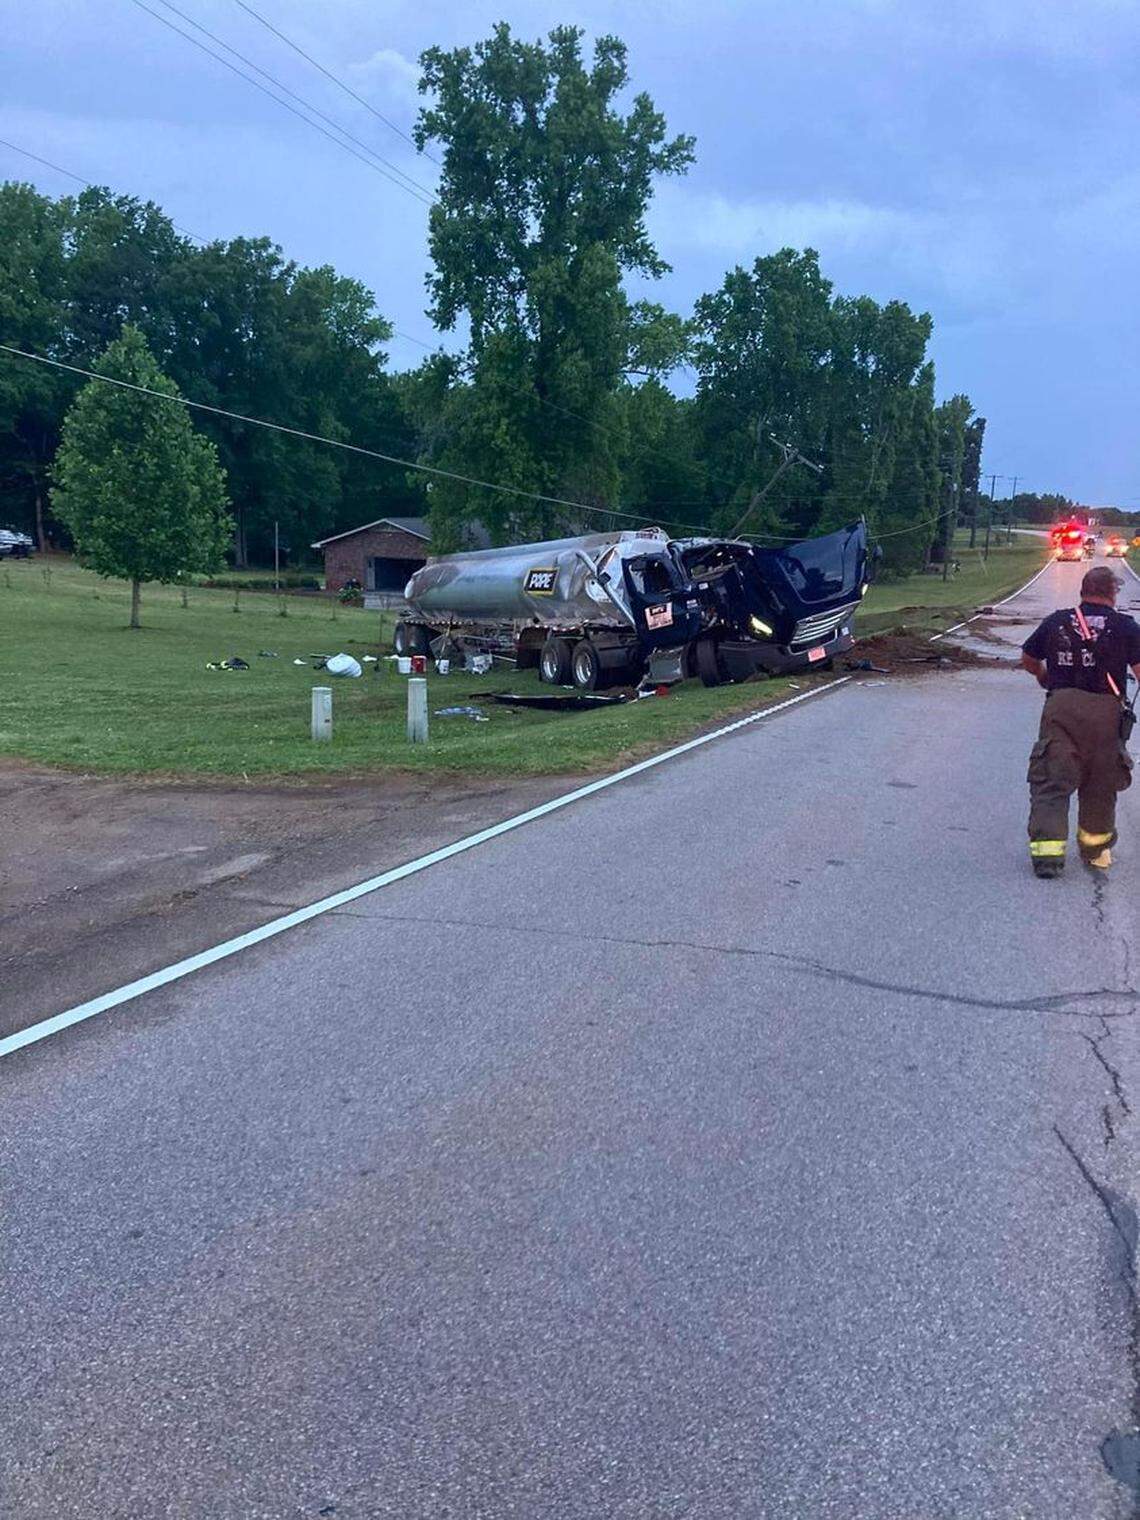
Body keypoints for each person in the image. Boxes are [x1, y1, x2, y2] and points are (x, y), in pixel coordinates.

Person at [1020, 565, 1140, 876]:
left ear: (1083, 590)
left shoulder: (1057, 621)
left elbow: (1029, 659)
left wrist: (1044, 676)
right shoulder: (1125, 626)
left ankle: (1047, 858)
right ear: (1113, 593)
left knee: (1051, 778)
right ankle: (1095, 849)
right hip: (1106, 712)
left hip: (1061, 707)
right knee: (1101, 782)